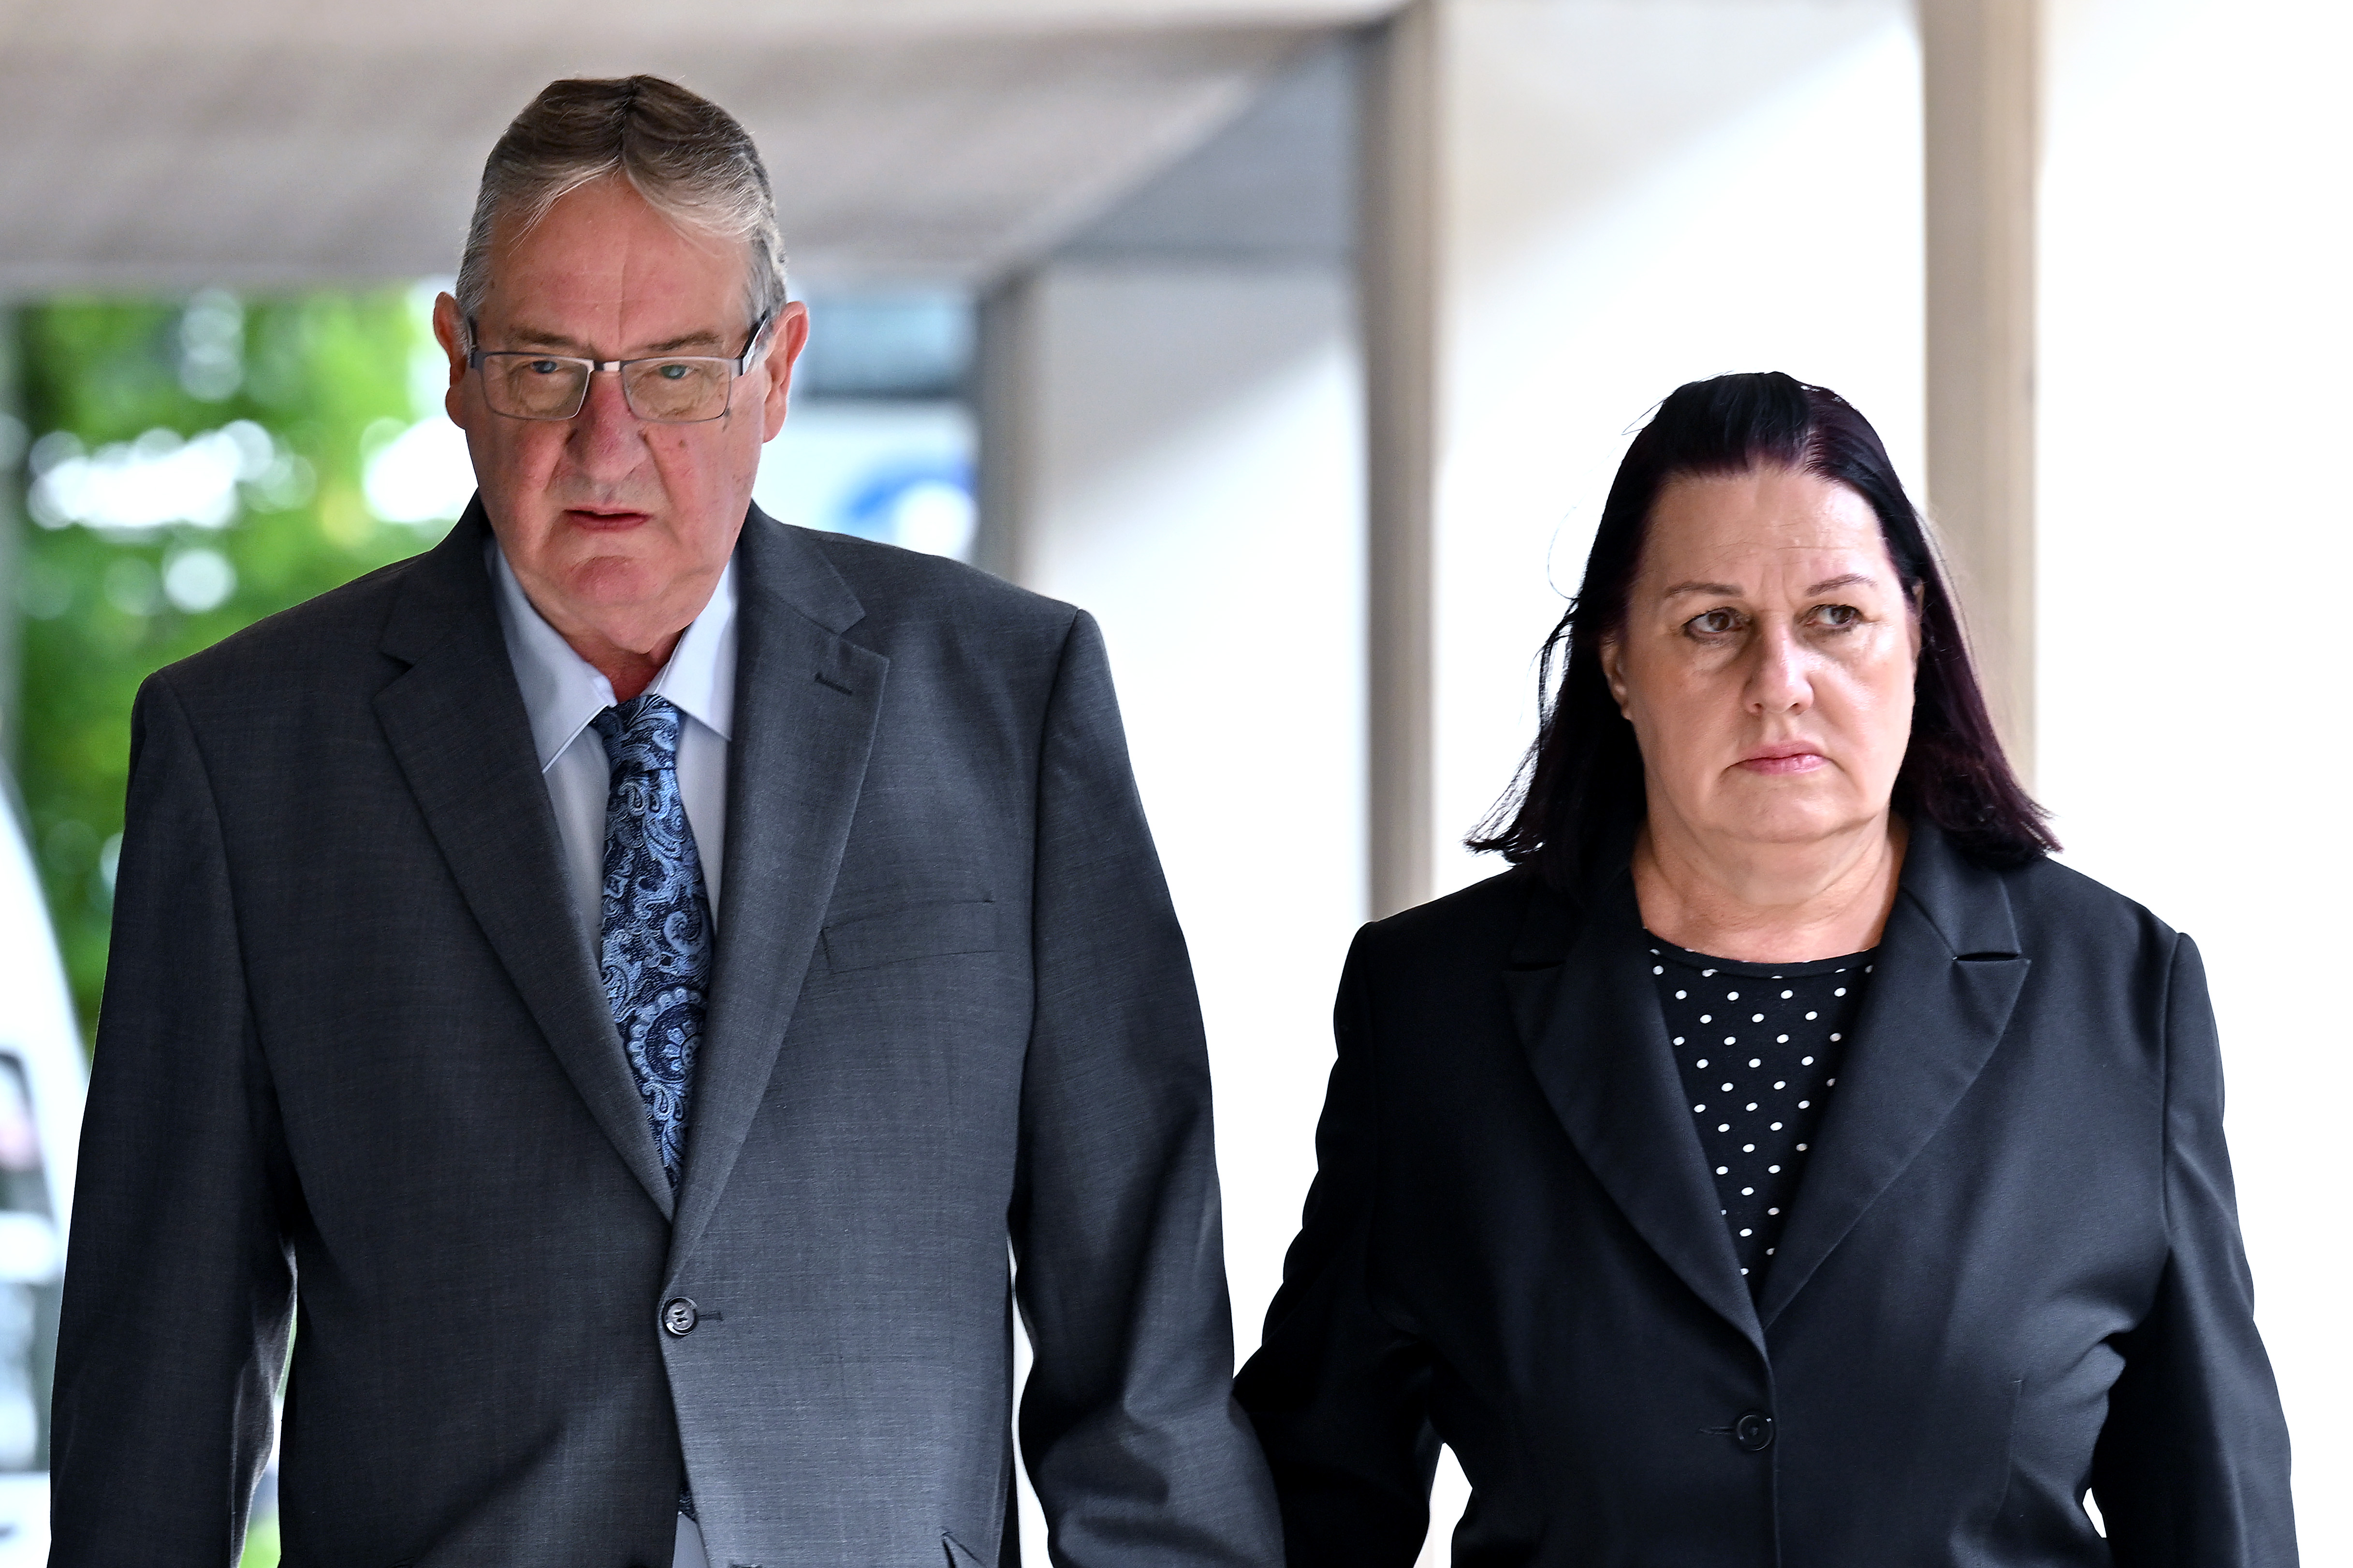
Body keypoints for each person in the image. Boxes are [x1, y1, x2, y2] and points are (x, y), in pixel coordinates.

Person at [51, 76, 1281, 1568]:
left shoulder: (1010, 702)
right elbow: (158, 1393)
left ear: (779, 370)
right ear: (456, 361)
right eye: (548, 365)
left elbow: (1143, 1356)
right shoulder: (250, 750)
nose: (608, 441)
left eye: (678, 371)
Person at [1235, 372, 2295, 1566]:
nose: (1779, 680)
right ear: (1618, 667)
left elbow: (2218, 1514)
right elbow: (1320, 1488)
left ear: (1917, 633)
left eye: (1837, 617)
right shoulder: (1434, 1006)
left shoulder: (2116, 993)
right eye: (1709, 622)